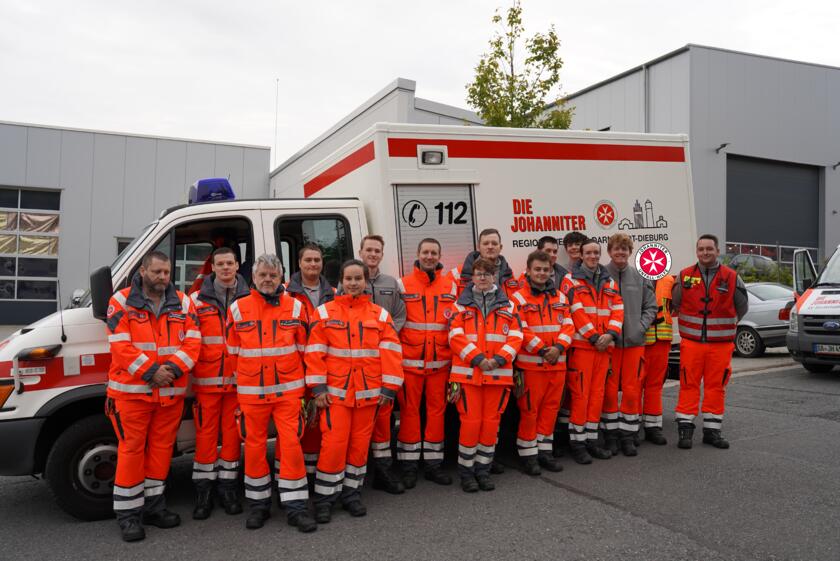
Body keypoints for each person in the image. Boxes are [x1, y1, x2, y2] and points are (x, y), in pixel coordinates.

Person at [105, 251, 201, 542]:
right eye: (157, 272)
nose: (163, 278)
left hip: (169, 394)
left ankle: (154, 508)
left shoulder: (183, 302)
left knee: (161, 452)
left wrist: (169, 369)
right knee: (131, 452)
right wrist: (151, 372)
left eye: (167, 273)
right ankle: (129, 516)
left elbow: (194, 342)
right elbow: (121, 347)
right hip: (132, 394)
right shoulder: (120, 301)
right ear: (143, 271)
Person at [305, 259, 404, 523]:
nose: (353, 283)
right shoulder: (324, 313)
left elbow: (392, 352)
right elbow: (315, 352)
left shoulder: (379, 315)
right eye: (348, 279)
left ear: (365, 280)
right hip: (335, 395)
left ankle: (351, 495)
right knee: (334, 446)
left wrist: (389, 388)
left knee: (359, 448)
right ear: (340, 281)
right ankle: (325, 499)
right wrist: (318, 388)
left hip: (370, 395)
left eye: (358, 278)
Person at [226, 254, 317, 532]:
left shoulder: (295, 308)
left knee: (290, 446)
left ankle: (295, 507)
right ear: (253, 278)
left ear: (282, 278)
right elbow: (232, 353)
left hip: (289, 393)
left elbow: (306, 350)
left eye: (273, 275)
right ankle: (258, 505)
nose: (268, 279)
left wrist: (308, 391)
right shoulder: (238, 308)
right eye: (263, 275)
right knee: (253, 450)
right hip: (252, 395)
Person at [448, 257, 523, 492]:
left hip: (497, 376)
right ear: (472, 276)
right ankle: (467, 473)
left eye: (487, 274)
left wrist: (499, 359)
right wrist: (479, 359)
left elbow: (517, 336)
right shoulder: (459, 305)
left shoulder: (509, 306)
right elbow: (455, 336)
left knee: (491, 425)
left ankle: (483, 470)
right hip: (468, 375)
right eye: (478, 273)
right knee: (470, 424)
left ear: (494, 277)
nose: (482, 278)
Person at [189, 247, 249, 520]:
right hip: (207, 384)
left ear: (237, 265)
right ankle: (203, 492)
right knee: (205, 439)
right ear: (212, 267)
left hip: (237, 384)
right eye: (220, 264)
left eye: (230, 263)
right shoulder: (195, 301)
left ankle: (228, 489)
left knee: (233, 440)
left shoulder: (250, 298)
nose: (225, 268)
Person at [672, 234, 748, 449]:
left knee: (716, 387)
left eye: (709, 249)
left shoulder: (732, 277)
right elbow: (676, 302)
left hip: (721, 345)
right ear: (697, 251)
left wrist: (721, 328)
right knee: (688, 385)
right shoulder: (685, 276)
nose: (705, 252)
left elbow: (742, 307)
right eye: (701, 249)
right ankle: (685, 432)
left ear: (717, 251)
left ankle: (712, 432)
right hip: (692, 343)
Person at [396, 238, 458, 488]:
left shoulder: (451, 286)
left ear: (440, 255)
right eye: (425, 252)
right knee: (409, 415)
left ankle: (433, 465)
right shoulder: (403, 284)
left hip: (440, 364)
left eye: (434, 252)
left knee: (436, 414)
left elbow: (456, 325)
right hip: (410, 363)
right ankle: (409, 467)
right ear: (418, 254)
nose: (429, 256)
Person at [511, 250, 574, 475]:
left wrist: (558, 348)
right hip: (531, 366)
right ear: (528, 271)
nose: (541, 273)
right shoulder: (517, 298)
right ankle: (528, 456)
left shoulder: (561, 297)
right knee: (529, 411)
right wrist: (543, 349)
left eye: (545, 270)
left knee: (550, 410)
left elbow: (569, 326)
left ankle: (544, 453)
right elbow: (520, 328)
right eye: (537, 269)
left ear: (551, 272)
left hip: (557, 365)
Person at [561, 239, 624, 464]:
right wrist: (595, 337)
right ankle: (577, 444)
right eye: (588, 253)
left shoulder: (608, 280)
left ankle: (590, 440)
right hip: (583, 347)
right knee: (580, 396)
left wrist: (611, 335)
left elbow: (618, 308)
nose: (593, 256)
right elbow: (575, 312)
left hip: (603, 348)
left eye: (596, 253)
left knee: (597, 395)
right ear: (581, 255)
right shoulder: (571, 281)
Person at [352, 235, 406, 495]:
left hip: (383, 360)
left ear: (382, 255)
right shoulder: (350, 281)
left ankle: (383, 472)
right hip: (357, 364)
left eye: (377, 250)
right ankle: (357, 474)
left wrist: (382, 334)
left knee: (384, 420)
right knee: (357, 424)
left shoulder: (391, 283)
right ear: (360, 252)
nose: (372, 254)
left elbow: (400, 315)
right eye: (368, 250)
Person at [601, 234, 657, 456]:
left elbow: (650, 307)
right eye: (616, 249)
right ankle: (611, 437)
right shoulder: (602, 275)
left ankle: (628, 436)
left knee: (632, 392)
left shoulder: (640, 276)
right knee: (609, 392)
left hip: (634, 343)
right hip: (610, 345)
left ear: (630, 251)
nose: (620, 253)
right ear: (610, 251)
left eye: (624, 249)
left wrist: (639, 328)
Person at [286, 243, 335, 478]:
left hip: (325, 369)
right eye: (308, 260)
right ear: (299, 263)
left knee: (319, 422)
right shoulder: (286, 293)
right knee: (298, 425)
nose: (313, 264)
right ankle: (299, 474)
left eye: (317, 260)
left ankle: (315, 474)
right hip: (296, 369)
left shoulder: (334, 293)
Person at [555, 230, 588, 447]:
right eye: (570, 245)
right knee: (566, 392)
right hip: (569, 338)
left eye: (577, 245)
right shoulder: (562, 273)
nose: (574, 248)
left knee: (582, 390)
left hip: (587, 341)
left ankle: (579, 432)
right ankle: (565, 433)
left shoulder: (594, 270)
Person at [640, 274, 676, 445]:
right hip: (638, 340)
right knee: (634, 386)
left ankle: (653, 427)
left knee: (655, 386)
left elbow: (675, 306)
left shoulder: (670, 280)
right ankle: (630, 428)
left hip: (661, 340)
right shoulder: (634, 278)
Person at [458, 228, 521, 299]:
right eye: (485, 244)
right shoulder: (459, 274)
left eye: (494, 243)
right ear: (478, 247)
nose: (490, 247)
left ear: (500, 247)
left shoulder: (509, 276)